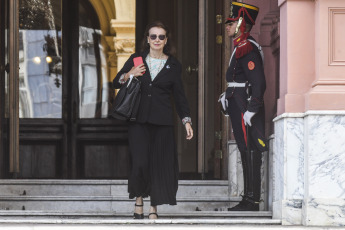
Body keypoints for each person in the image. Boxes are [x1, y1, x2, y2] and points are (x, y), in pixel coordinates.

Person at [113, 21, 193, 219]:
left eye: (161, 37)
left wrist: (186, 121)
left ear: (166, 40)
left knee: (158, 165)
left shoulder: (173, 65)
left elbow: (180, 96)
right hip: (138, 120)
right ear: (147, 39)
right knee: (140, 162)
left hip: (163, 122)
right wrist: (130, 74)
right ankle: (139, 199)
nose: (157, 40)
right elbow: (116, 81)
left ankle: (153, 207)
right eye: (153, 36)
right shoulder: (136, 59)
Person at [224, 2, 267, 211]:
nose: (227, 26)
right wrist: (227, 95)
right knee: (244, 148)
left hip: (245, 103)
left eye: (231, 22)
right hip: (238, 101)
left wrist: (253, 108)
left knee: (250, 149)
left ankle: (252, 200)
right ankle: (248, 198)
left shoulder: (247, 47)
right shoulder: (240, 46)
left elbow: (258, 81)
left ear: (241, 23)